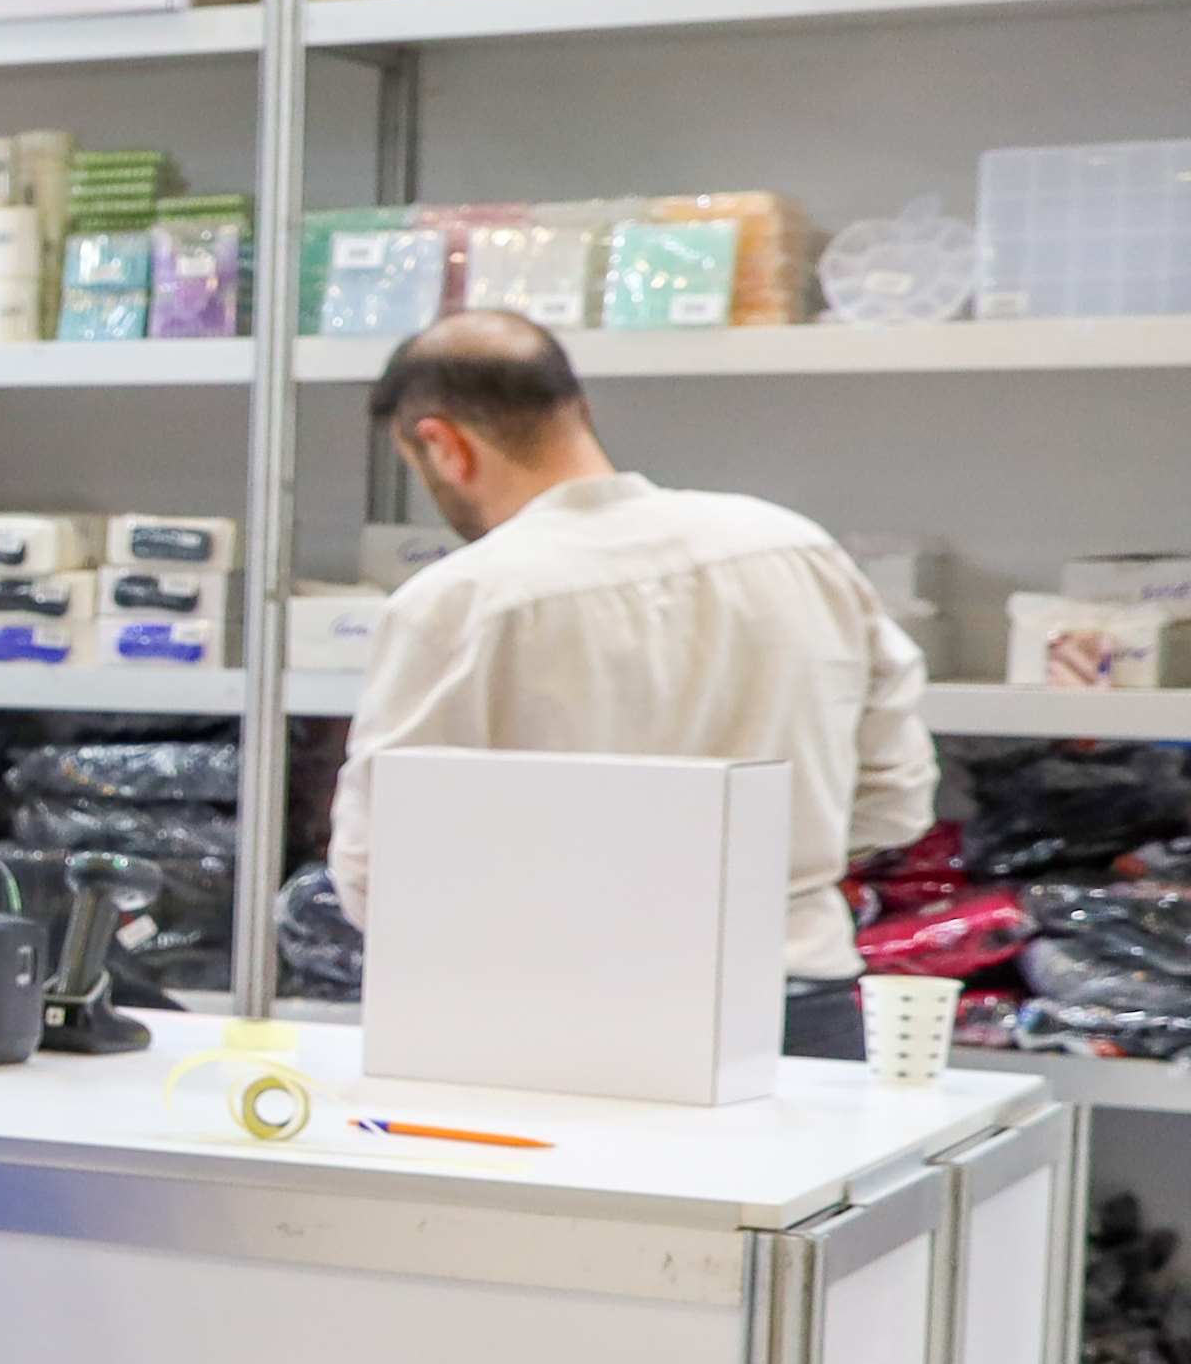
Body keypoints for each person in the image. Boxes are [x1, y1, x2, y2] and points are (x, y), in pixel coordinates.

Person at [340, 308, 932, 1056]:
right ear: (580, 411)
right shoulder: (794, 547)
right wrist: (758, 869)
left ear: (443, 444)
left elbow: (381, 870)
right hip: (798, 1003)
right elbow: (897, 795)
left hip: (566, 1017)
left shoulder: (459, 603)